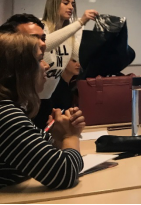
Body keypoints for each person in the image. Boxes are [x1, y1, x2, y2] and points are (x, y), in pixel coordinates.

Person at [0, 33, 85, 189]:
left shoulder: (11, 109)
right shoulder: (5, 115)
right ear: (18, 69)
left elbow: (45, 152)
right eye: (40, 59)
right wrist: (70, 135)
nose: (47, 66)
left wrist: (58, 136)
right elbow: (64, 174)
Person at [39, 0, 98, 128]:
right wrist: (80, 22)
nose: (71, 7)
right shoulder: (41, 27)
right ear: (54, 4)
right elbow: (45, 44)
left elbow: (80, 56)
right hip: (31, 98)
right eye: (66, 3)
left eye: (73, 4)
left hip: (48, 97)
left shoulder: (70, 34)